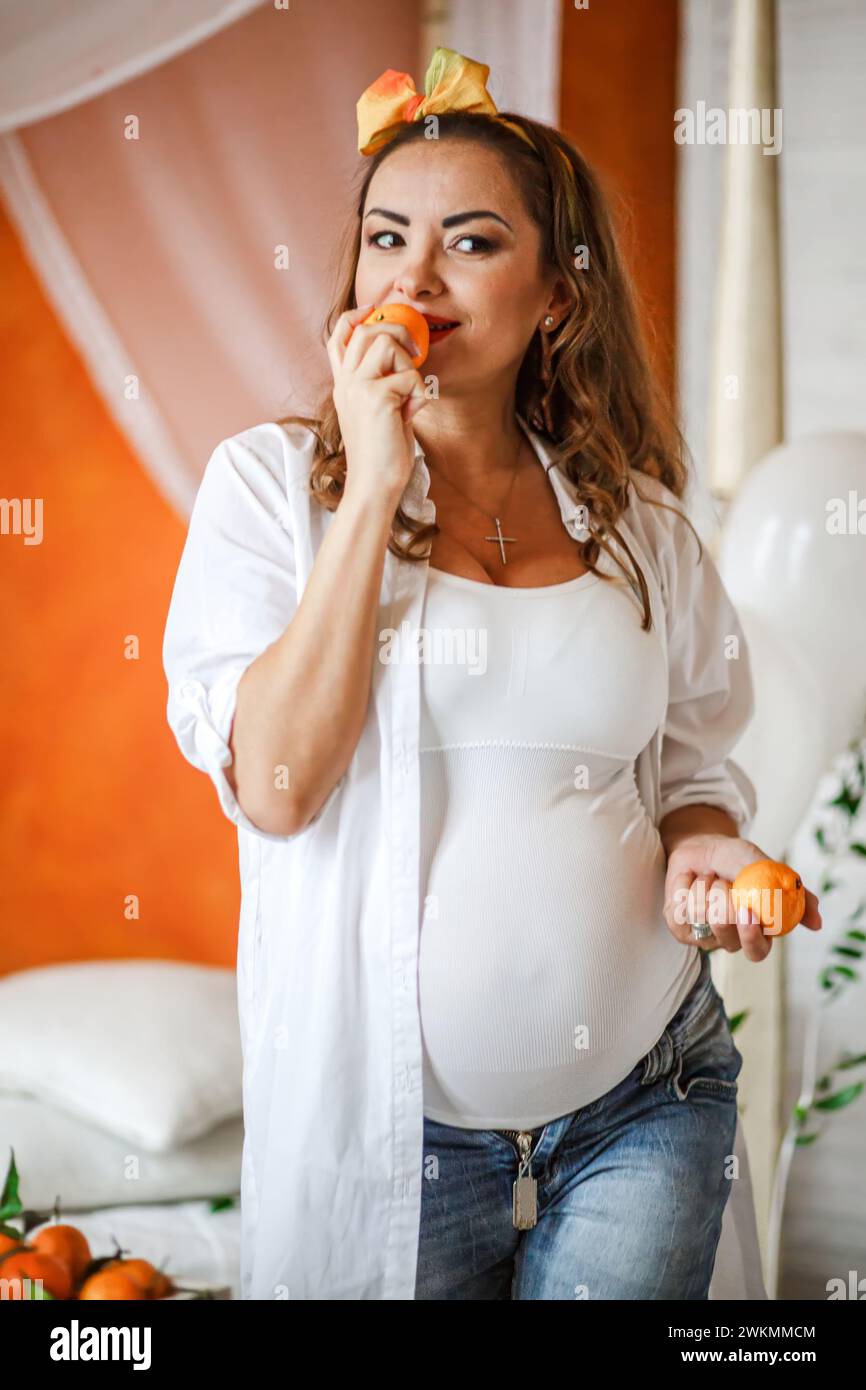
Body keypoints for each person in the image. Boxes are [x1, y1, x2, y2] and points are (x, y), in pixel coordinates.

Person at [162, 48, 822, 1300]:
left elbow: (689, 771)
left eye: (468, 242)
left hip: (648, 1099)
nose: (410, 277)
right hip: (396, 1142)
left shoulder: (643, 529)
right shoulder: (264, 489)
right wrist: (369, 480)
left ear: (556, 297)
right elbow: (281, 786)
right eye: (383, 238)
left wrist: (708, 854)